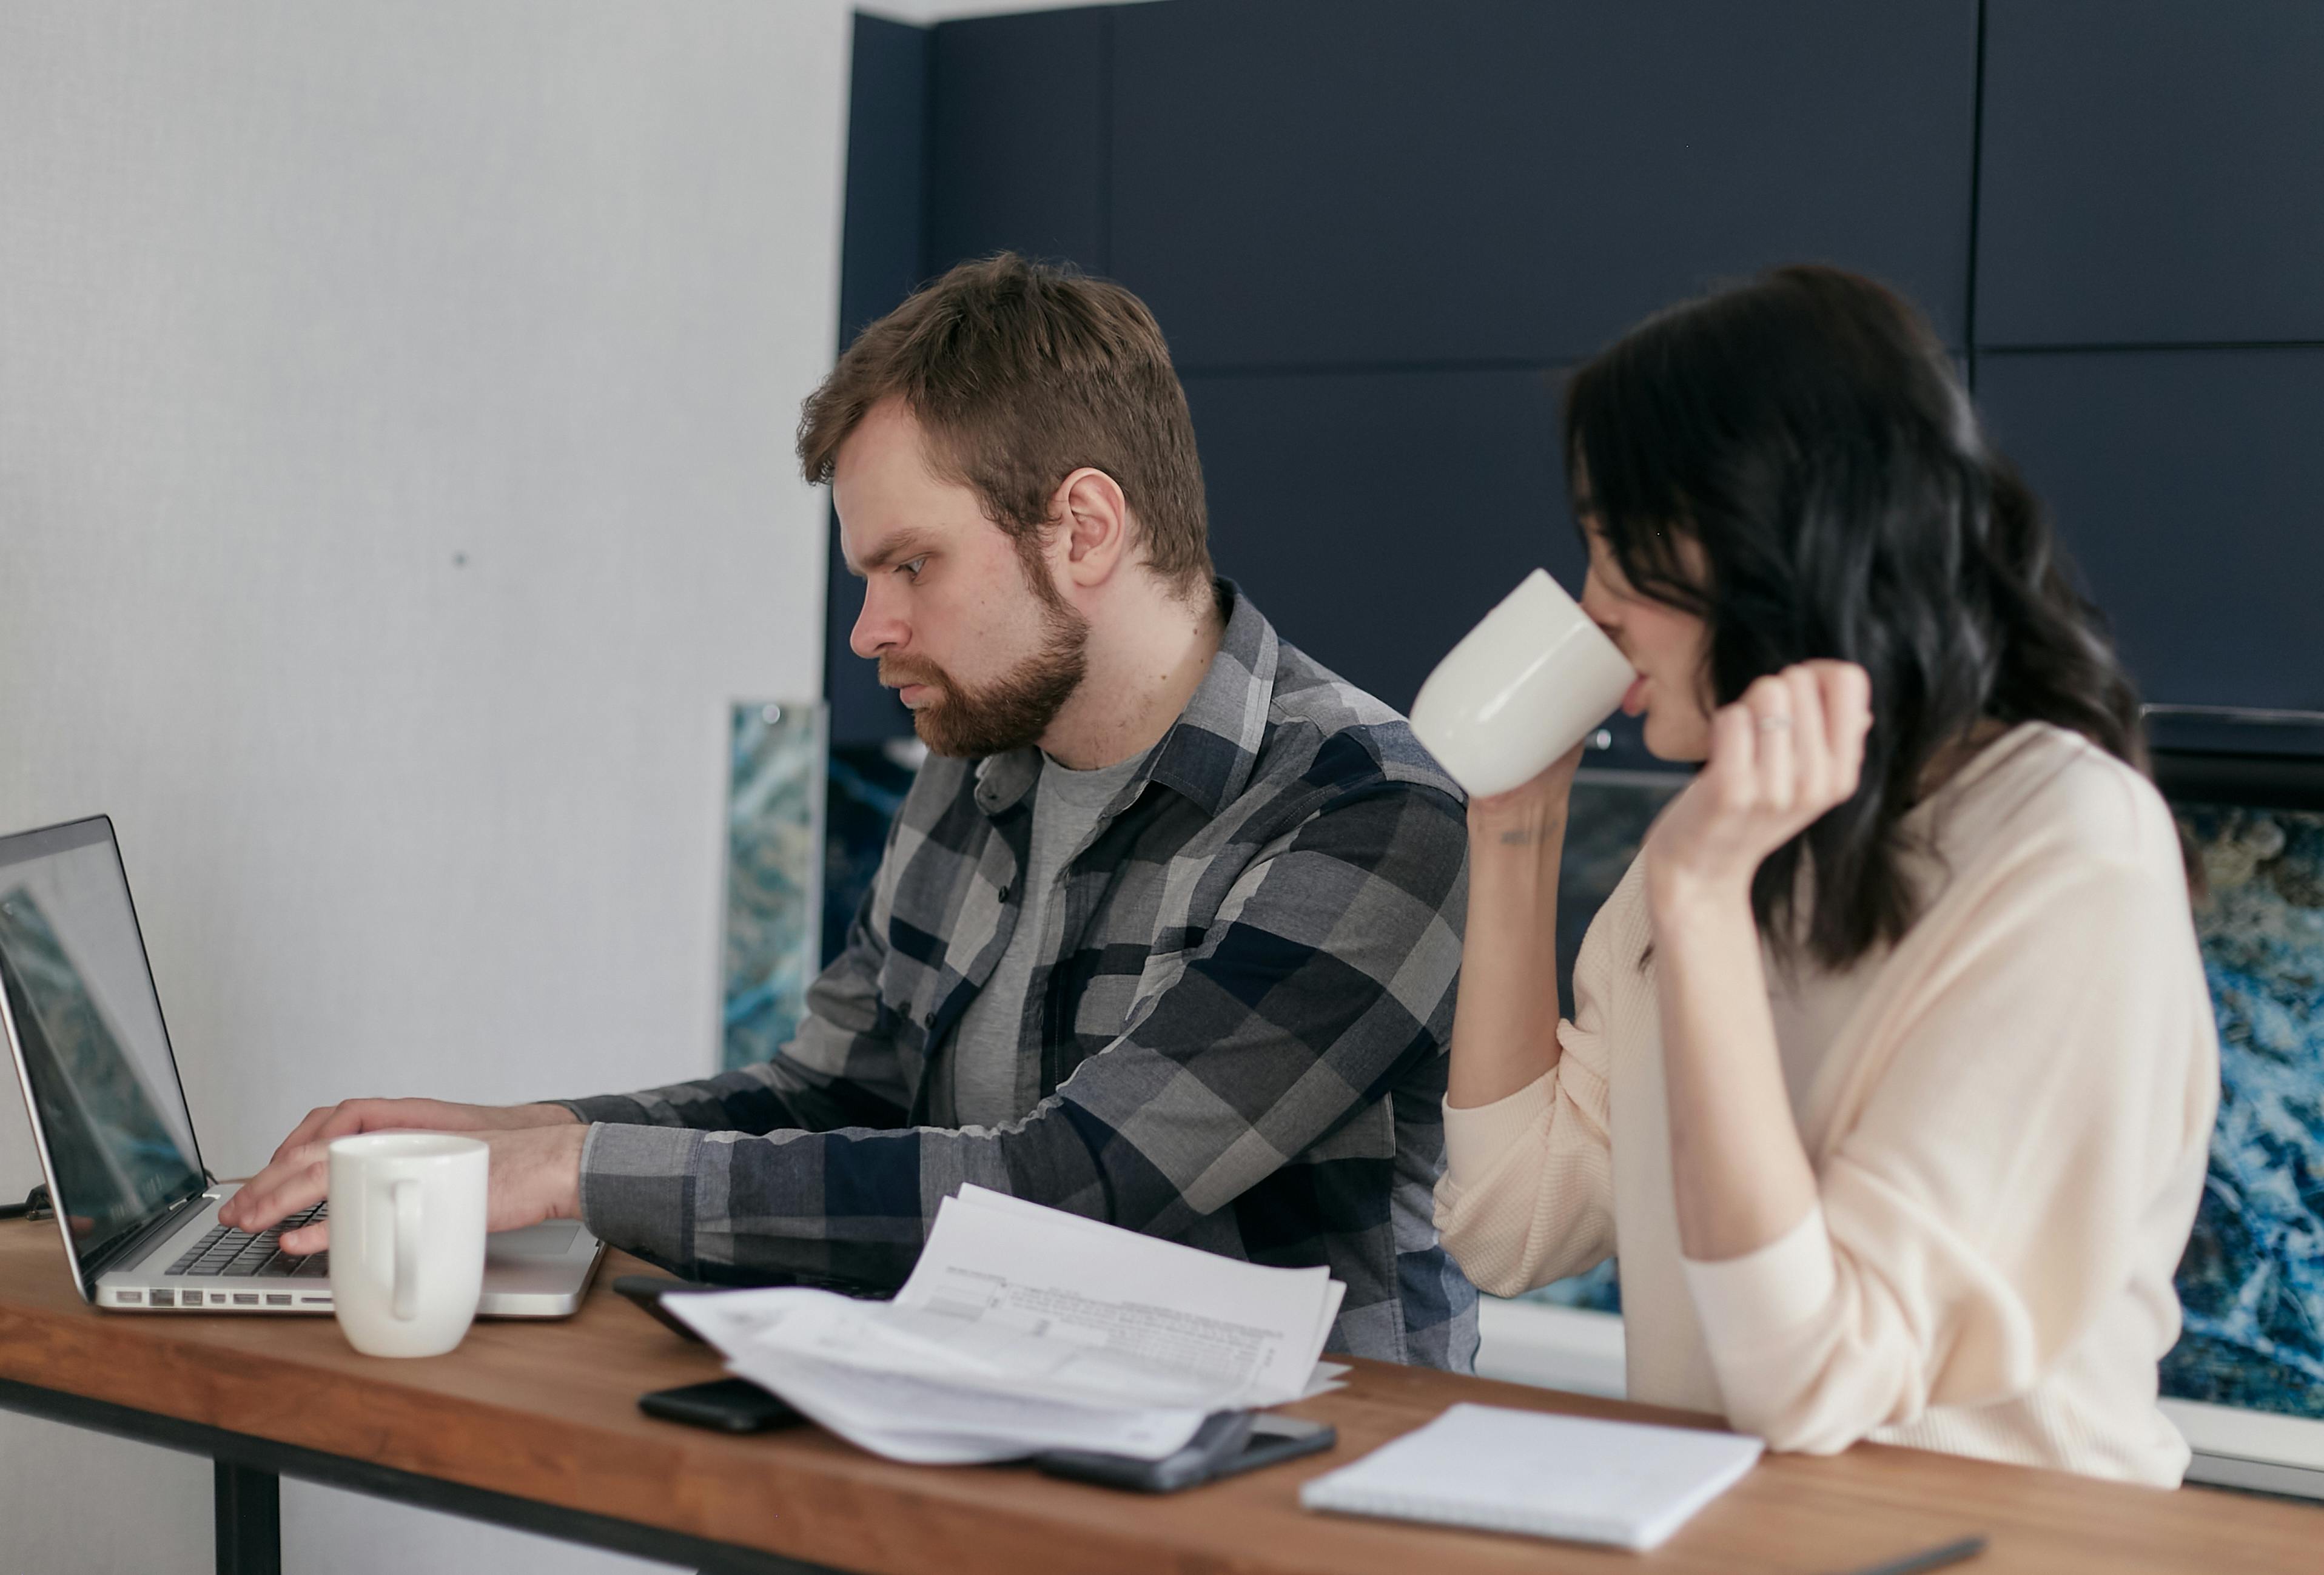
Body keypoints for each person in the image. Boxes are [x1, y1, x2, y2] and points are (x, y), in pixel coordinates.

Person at [223, 254, 1479, 1368]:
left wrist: (568, 1174)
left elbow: (1069, 1189)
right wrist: (523, 1132)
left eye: (910, 566)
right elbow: (834, 1096)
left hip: (1285, 1497)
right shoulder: (972, 758)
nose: (869, 630)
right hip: (1001, 1428)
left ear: (1083, 529)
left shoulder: (1363, 811)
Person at [1434, 265, 2217, 1481]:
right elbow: (1506, 1226)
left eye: (1615, 548)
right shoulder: (1714, 842)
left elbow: (1810, 1375)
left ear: (1769, 538)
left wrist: (1700, 907)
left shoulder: (2069, 846)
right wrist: (1512, 831)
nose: (1589, 608)